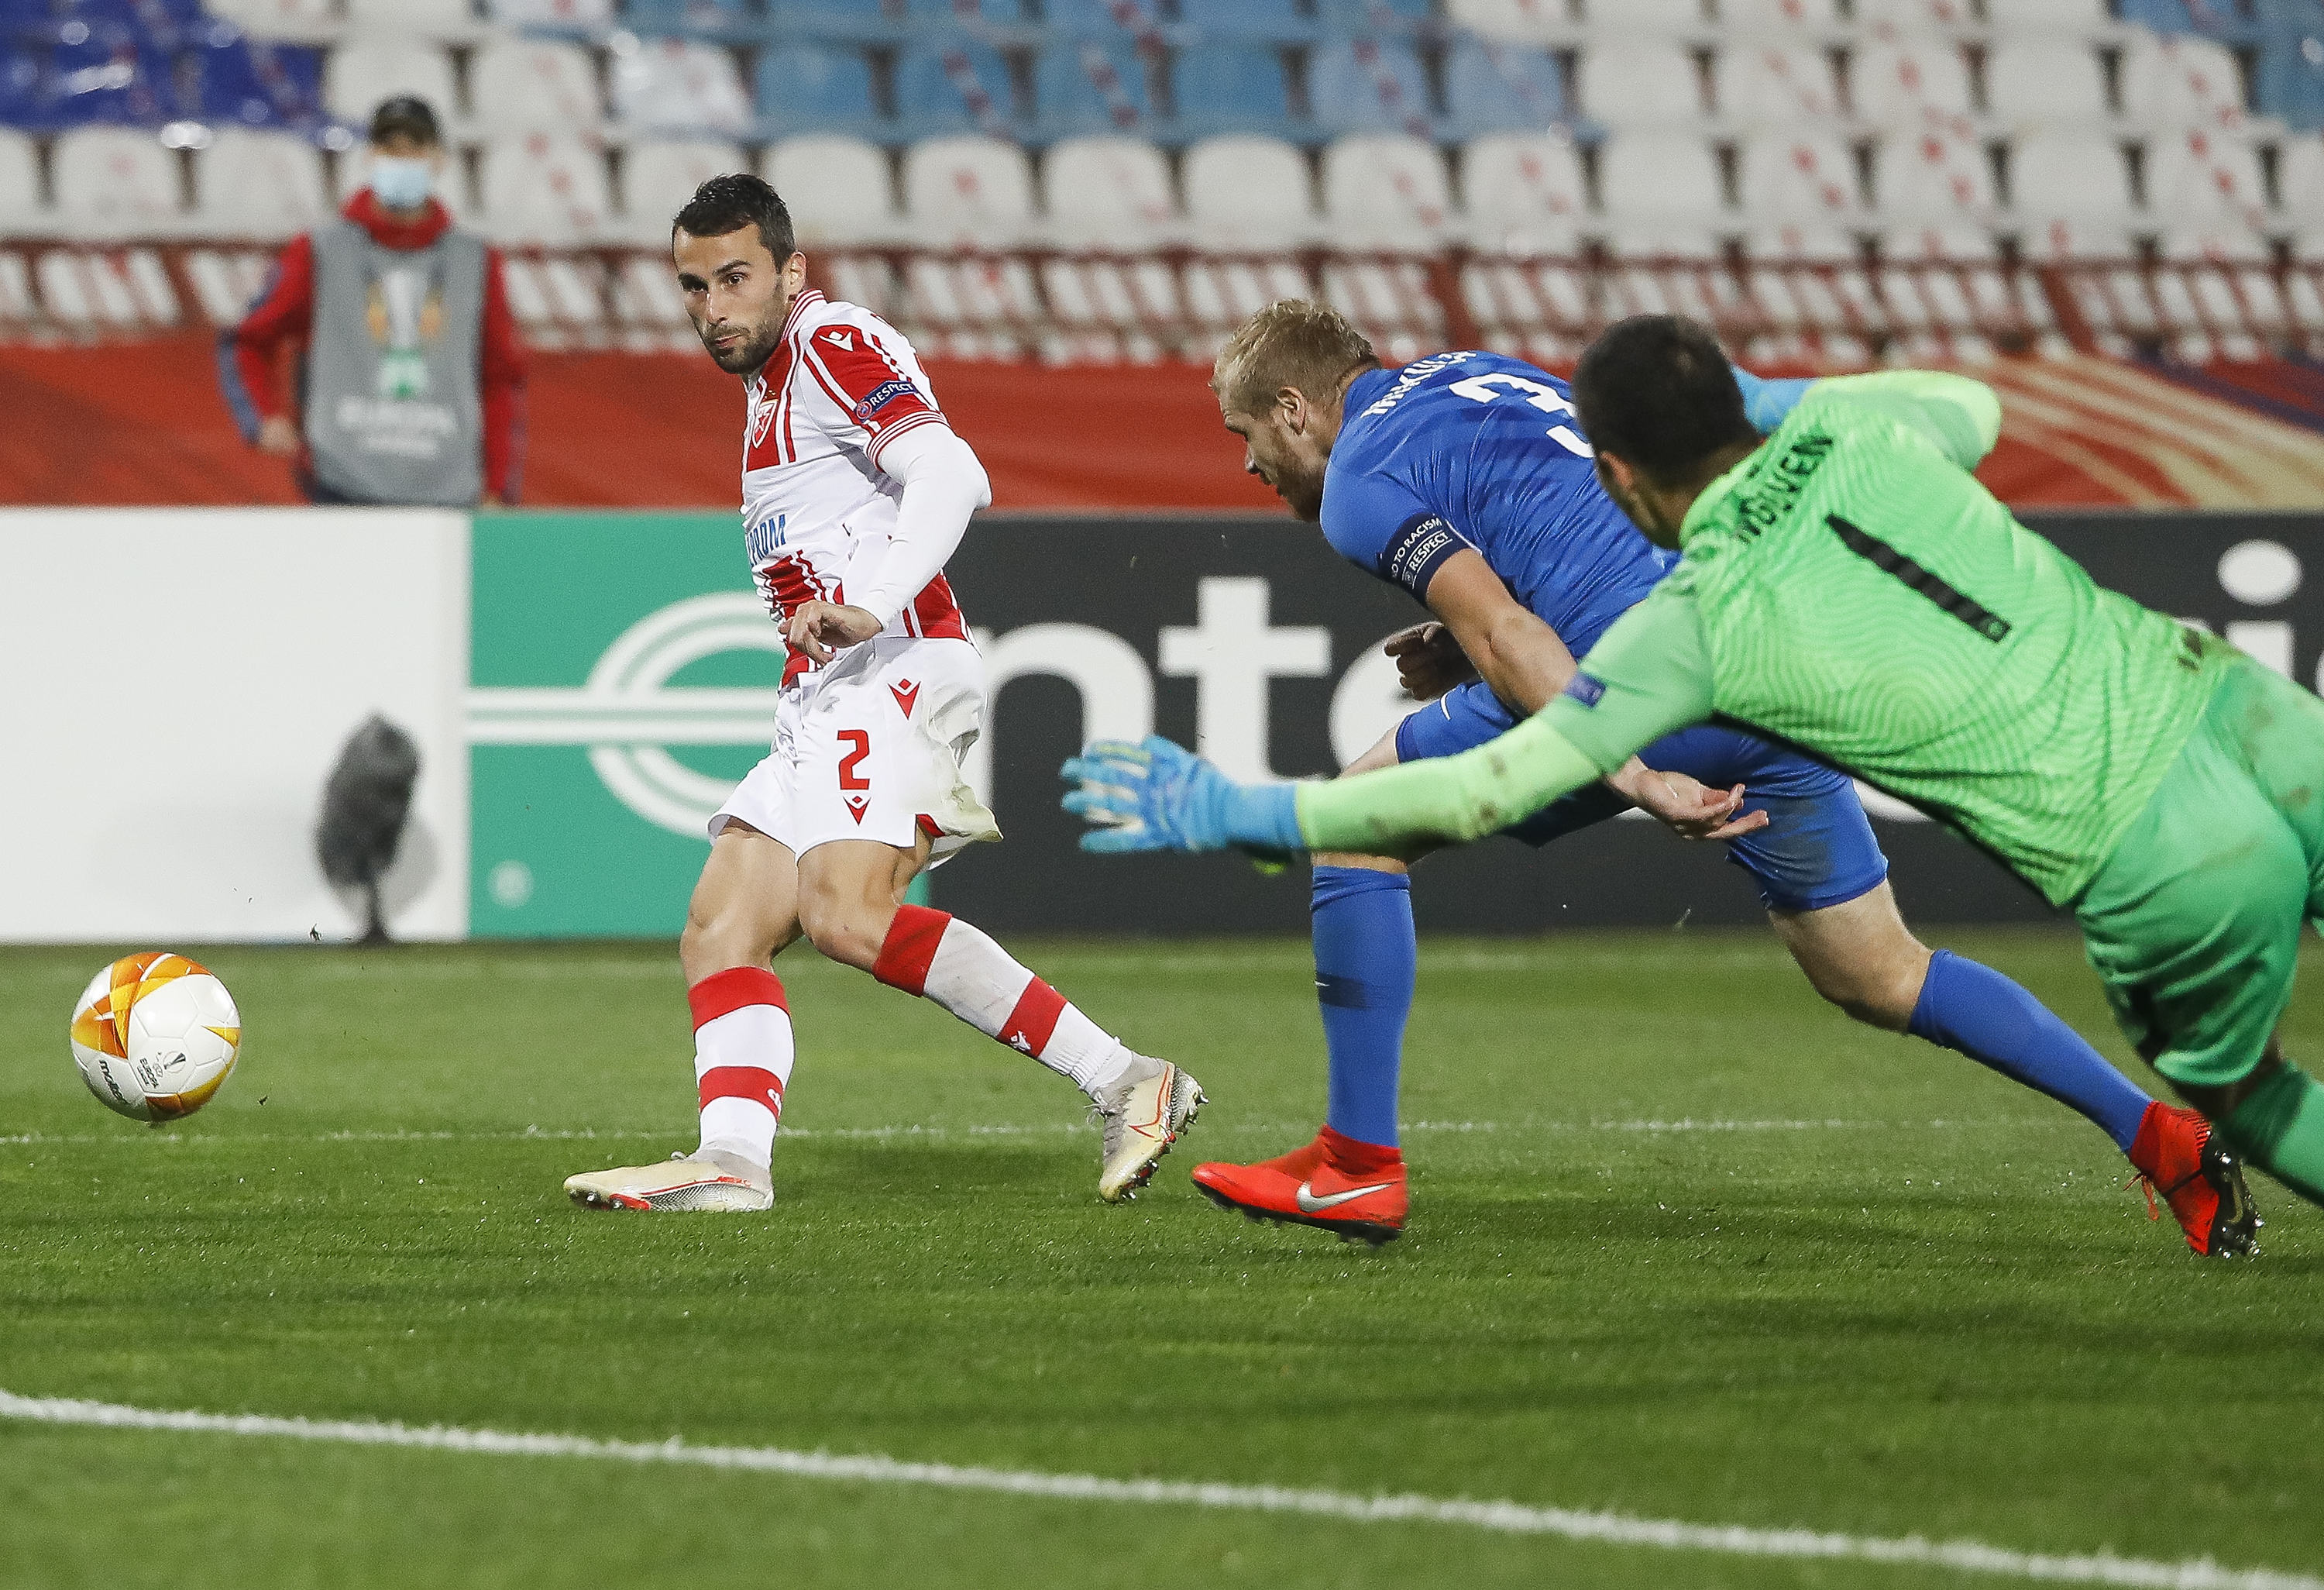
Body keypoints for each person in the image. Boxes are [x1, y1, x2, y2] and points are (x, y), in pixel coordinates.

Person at [1064, 303, 2260, 1256]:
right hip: (1757, 652)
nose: (1250, 464)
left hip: (1643, 675)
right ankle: (2158, 1135)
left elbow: (1510, 635)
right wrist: (1486, 647)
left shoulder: (1359, 481)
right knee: (1879, 972)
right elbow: (1573, 524)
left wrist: (1630, 766)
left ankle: (1354, 1167)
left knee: (1357, 826)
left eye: (1246, 434)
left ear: (1295, 408)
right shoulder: (1476, 372)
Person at [564, 174, 1201, 1214]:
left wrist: (869, 600)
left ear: (792, 272)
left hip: (895, 661)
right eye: (694, 286)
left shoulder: (830, 341)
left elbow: (953, 473)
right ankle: (732, 1163)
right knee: (722, 926)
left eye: (736, 278)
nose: (714, 307)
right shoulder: (768, 387)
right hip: (827, 689)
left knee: (848, 916)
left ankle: (1126, 1079)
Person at [220, 95, 526, 507]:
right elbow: (246, 340)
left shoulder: (475, 261)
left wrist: (500, 488)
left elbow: (502, 379)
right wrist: (263, 417)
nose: (402, 161)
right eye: (390, 149)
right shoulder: (320, 251)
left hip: (447, 490)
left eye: (415, 149)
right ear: (369, 156)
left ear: (439, 159)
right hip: (341, 483)